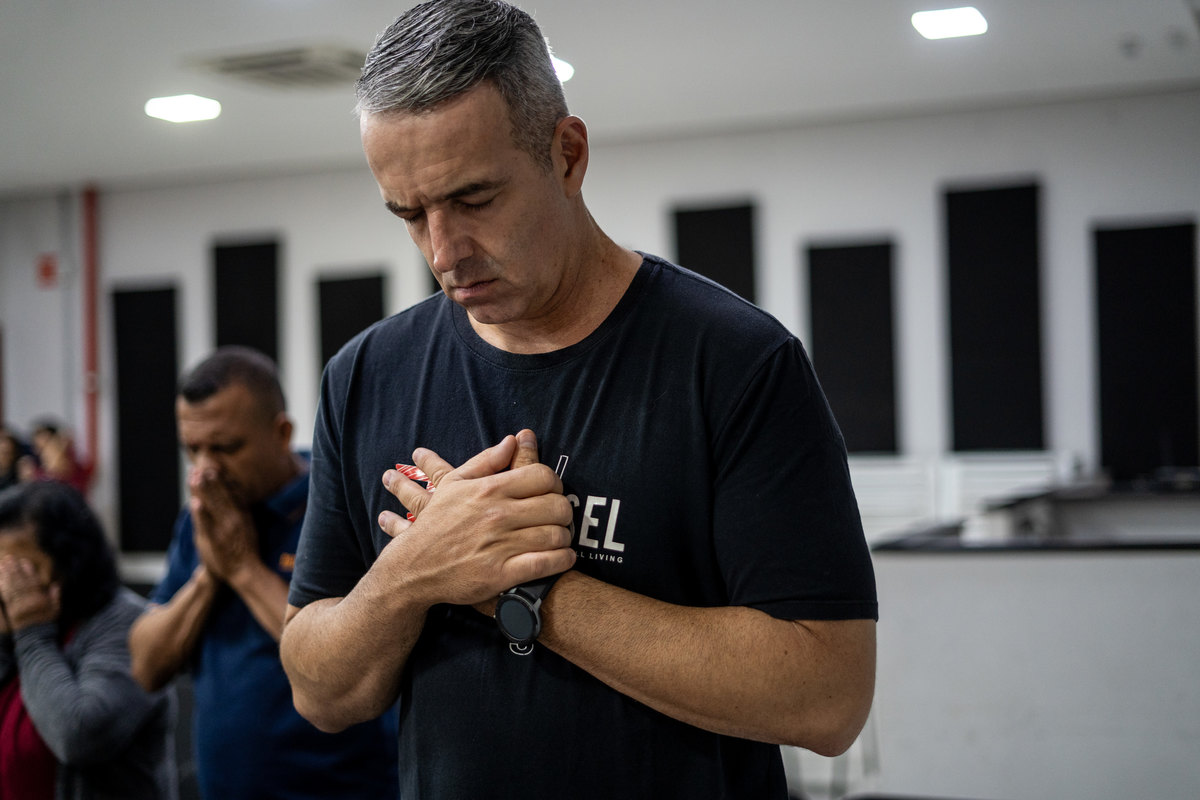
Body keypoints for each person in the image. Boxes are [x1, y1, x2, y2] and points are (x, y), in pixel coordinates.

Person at [280, 1, 878, 797]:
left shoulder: (736, 361)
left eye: (475, 199)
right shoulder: (364, 375)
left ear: (567, 156)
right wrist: (414, 572)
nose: (443, 251)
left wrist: (520, 587)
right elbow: (319, 691)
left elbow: (828, 696)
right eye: (410, 214)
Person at [127, 346, 398, 800]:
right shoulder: (207, 515)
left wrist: (243, 569)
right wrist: (210, 575)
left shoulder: (339, 506)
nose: (204, 470)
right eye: (192, 449)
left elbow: (347, 667)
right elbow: (146, 667)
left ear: (282, 432)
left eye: (225, 448)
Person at [0, 480, 175, 800]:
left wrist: (31, 632)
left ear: (68, 562)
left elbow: (79, 735)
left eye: (19, 569)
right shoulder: (13, 620)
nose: (6, 583)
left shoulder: (126, 625)